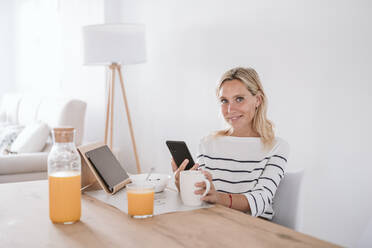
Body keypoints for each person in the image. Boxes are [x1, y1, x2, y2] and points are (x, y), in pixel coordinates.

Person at [171, 67, 289, 220]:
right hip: (212, 224)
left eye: (239, 99)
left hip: (253, 230)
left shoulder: (276, 147)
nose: (230, 109)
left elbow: (261, 199)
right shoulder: (208, 143)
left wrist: (219, 198)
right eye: (224, 101)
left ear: (258, 100)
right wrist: (184, 184)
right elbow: (203, 196)